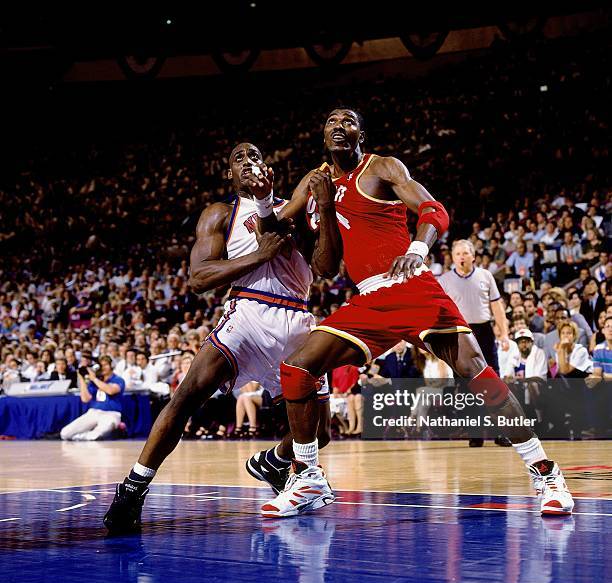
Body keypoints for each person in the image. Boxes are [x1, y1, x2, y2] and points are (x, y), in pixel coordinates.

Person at [256, 107, 574, 518]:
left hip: (411, 285)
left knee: (477, 372)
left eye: (347, 121)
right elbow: (273, 228)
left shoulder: (383, 167)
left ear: (361, 135)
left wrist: (417, 249)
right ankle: (308, 477)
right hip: (368, 298)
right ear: (322, 136)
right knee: (298, 368)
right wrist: (264, 198)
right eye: (331, 121)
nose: (338, 126)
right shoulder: (315, 182)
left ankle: (546, 472)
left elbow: (434, 210)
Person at [104, 142, 333, 533]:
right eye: (240, 159)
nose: (249, 162)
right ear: (229, 174)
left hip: (296, 320)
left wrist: (324, 208)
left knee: (321, 433)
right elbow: (198, 279)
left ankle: (274, 462)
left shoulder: (294, 207)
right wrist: (258, 256)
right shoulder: (219, 214)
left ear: (269, 166)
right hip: (246, 314)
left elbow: (325, 267)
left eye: (256, 156)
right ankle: (133, 487)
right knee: (185, 396)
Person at [438, 239, 511, 447]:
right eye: (457, 254)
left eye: (465, 253)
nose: (461, 257)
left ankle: (501, 432)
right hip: (459, 334)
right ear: (453, 258)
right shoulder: (444, 280)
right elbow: (440, 312)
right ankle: (475, 433)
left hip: (484, 331)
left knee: (493, 382)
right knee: (466, 386)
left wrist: (504, 333)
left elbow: (497, 307)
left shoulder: (485, 276)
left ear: (473, 256)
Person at [61, 356, 125, 441]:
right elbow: (85, 399)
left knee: (96, 435)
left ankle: (81, 437)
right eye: (101, 365)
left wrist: (94, 378)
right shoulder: (94, 381)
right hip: (93, 412)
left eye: (105, 365)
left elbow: (110, 390)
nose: (103, 368)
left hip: (111, 413)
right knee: (65, 433)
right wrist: (81, 379)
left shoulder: (118, 379)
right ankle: (84, 437)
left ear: (111, 366)